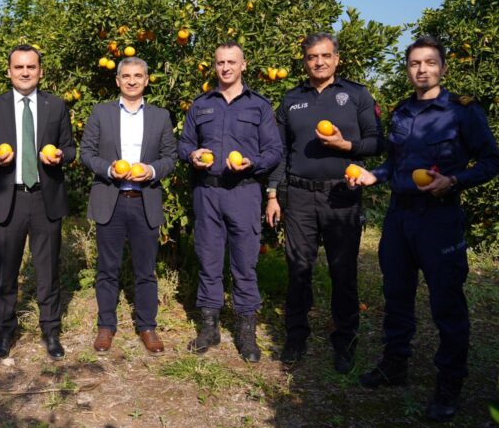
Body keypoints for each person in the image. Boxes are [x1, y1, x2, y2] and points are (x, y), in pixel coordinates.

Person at [348, 36, 499, 422]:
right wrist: (373, 175)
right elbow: (395, 166)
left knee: (446, 303)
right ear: (408, 69)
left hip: (439, 219)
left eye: (430, 63)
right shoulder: (400, 113)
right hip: (400, 218)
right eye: (415, 63)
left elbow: (492, 161)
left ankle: (449, 384)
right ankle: (394, 364)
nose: (422, 69)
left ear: (442, 68)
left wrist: (453, 181)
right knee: (396, 294)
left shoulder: (462, 112)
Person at [265, 32, 384, 372]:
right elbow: (280, 153)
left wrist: (347, 147)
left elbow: (378, 142)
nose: (319, 62)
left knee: (342, 270)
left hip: (341, 194)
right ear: (304, 61)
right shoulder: (291, 99)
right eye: (312, 57)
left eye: (325, 56)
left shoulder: (357, 94)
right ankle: (296, 335)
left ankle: (345, 338)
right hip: (299, 195)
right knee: (298, 268)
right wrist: (273, 193)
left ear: (337, 59)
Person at [178, 41, 282, 362]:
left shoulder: (259, 107)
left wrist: (253, 164)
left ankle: (246, 331)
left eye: (231, 62)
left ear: (243, 65)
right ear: (215, 65)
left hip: (244, 191)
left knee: (244, 264)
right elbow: (183, 145)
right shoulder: (201, 105)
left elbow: (274, 151)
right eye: (220, 62)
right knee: (208, 260)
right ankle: (209, 327)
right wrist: (192, 155)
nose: (225, 68)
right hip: (207, 192)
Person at [0, 44, 76, 360]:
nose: (25, 72)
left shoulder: (56, 106)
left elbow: (71, 149)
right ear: (9, 71)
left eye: (31, 67)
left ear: (40, 71)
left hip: (45, 200)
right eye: (19, 67)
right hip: (9, 199)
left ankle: (50, 331)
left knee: (47, 270)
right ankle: (4, 333)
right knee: (6, 271)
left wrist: (60, 157)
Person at [80, 57, 177, 354]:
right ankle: (106, 326)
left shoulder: (160, 116)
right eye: (126, 76)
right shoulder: (101, 112)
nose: (132, 81)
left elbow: (170, 157)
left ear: (147, 80)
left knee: (146, 270)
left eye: (138, 76)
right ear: (117, 80)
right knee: (107, 269)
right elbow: (87, 153)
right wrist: (109, 170)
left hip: (143, 200)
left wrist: (151, 171)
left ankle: (147, 326)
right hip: (111, 197)